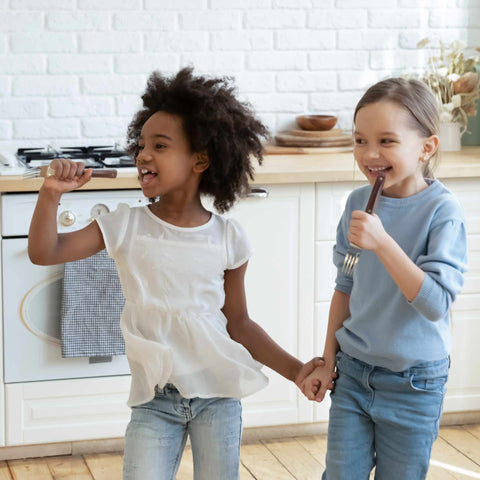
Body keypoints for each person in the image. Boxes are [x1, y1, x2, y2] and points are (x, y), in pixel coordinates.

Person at [28, 67, 326, 480]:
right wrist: (50, 195)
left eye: (160, 145)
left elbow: (238, 324)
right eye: (141, 144)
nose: (143, 154)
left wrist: (296, 371)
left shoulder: (228, 238)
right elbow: (45, 252)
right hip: (155, 399)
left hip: (218, 394)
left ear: (200, 159)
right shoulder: (123, 225)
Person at [300, 78, 468, 479]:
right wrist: (328, 361)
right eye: (360, 140)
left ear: (427, 147)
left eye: (387, 141)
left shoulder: (442, 212)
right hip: (354, 372)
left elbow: (435, 303)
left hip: (415, 384)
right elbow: (345, 287)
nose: (370, 154)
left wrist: (384, 243)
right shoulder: (357, 203)